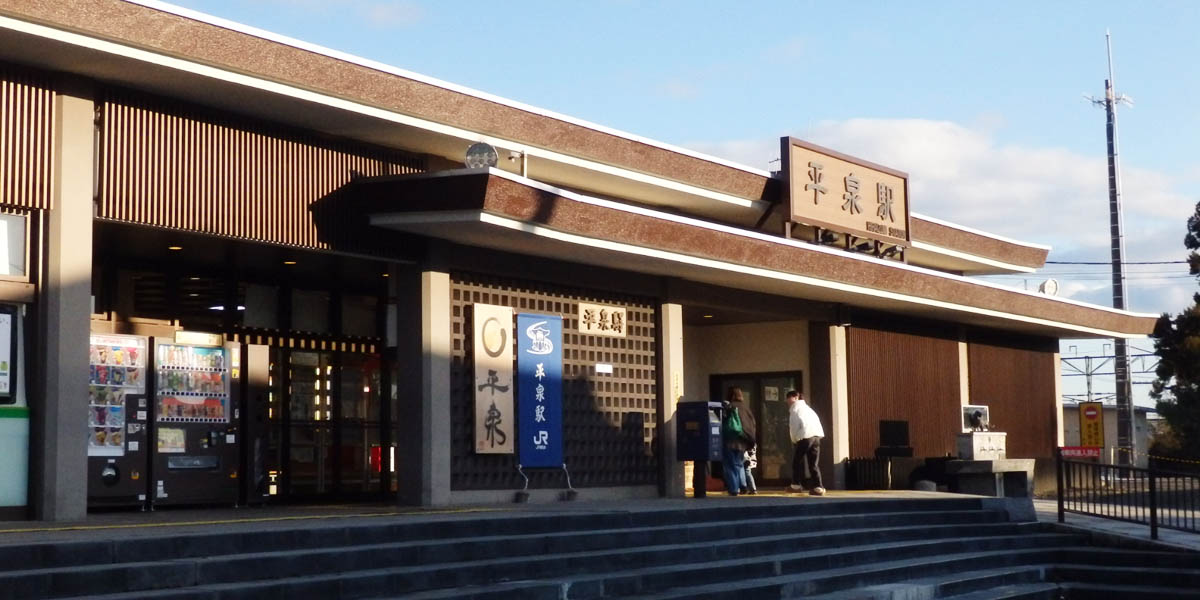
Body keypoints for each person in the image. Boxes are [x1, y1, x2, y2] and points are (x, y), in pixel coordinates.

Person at [787, 390, 825, 496]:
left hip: (804, 437)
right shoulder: (809, 409)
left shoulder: (795, 409)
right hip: (816, 436)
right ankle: (818, 487)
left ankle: (796, 485)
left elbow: (793, 427)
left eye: (789, 398)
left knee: (797, 461)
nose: (788, 401)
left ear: (795, 397)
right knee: (813, 464)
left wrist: (794, 440)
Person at [721, 387, 757, 496]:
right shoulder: (746, 408)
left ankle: (733, 489)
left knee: (729, 465)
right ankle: (743, 486)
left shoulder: (730, 406)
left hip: (730, 440)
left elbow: (724, 423)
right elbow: (752, 425)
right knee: (739, 465)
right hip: (743, 442)